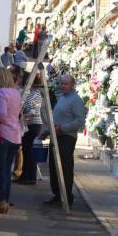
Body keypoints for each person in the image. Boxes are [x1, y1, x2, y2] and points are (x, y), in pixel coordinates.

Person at [42, 74, 86, 208]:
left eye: (66, 84)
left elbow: (80, 121)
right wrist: (47, 131)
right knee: (54, 167)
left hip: (66, 137)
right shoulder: (62, 98)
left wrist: (63, 128)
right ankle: (57, 195)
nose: (63, 86)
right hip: (56, 136)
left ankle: (66, 196)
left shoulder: (76, 100)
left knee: (64, 167)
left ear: (72, 86)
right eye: (62, 83)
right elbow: (56, 119)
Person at [0, 67, 22, 214]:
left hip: (3, 135)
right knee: (7, 170)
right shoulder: (16, 92)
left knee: (1, 169)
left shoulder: (1, 93)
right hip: (15, 135)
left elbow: (2, 115)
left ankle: (1, 201)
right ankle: (5, 200)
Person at [16, 72, 44, 185]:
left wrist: (19, 116)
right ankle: (25, 175)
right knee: (26, 151)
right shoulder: (30, 93)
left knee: (29, 152)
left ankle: (30, 177)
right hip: (29, 124)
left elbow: (32, 113)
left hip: (33, 125)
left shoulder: (35, 95)